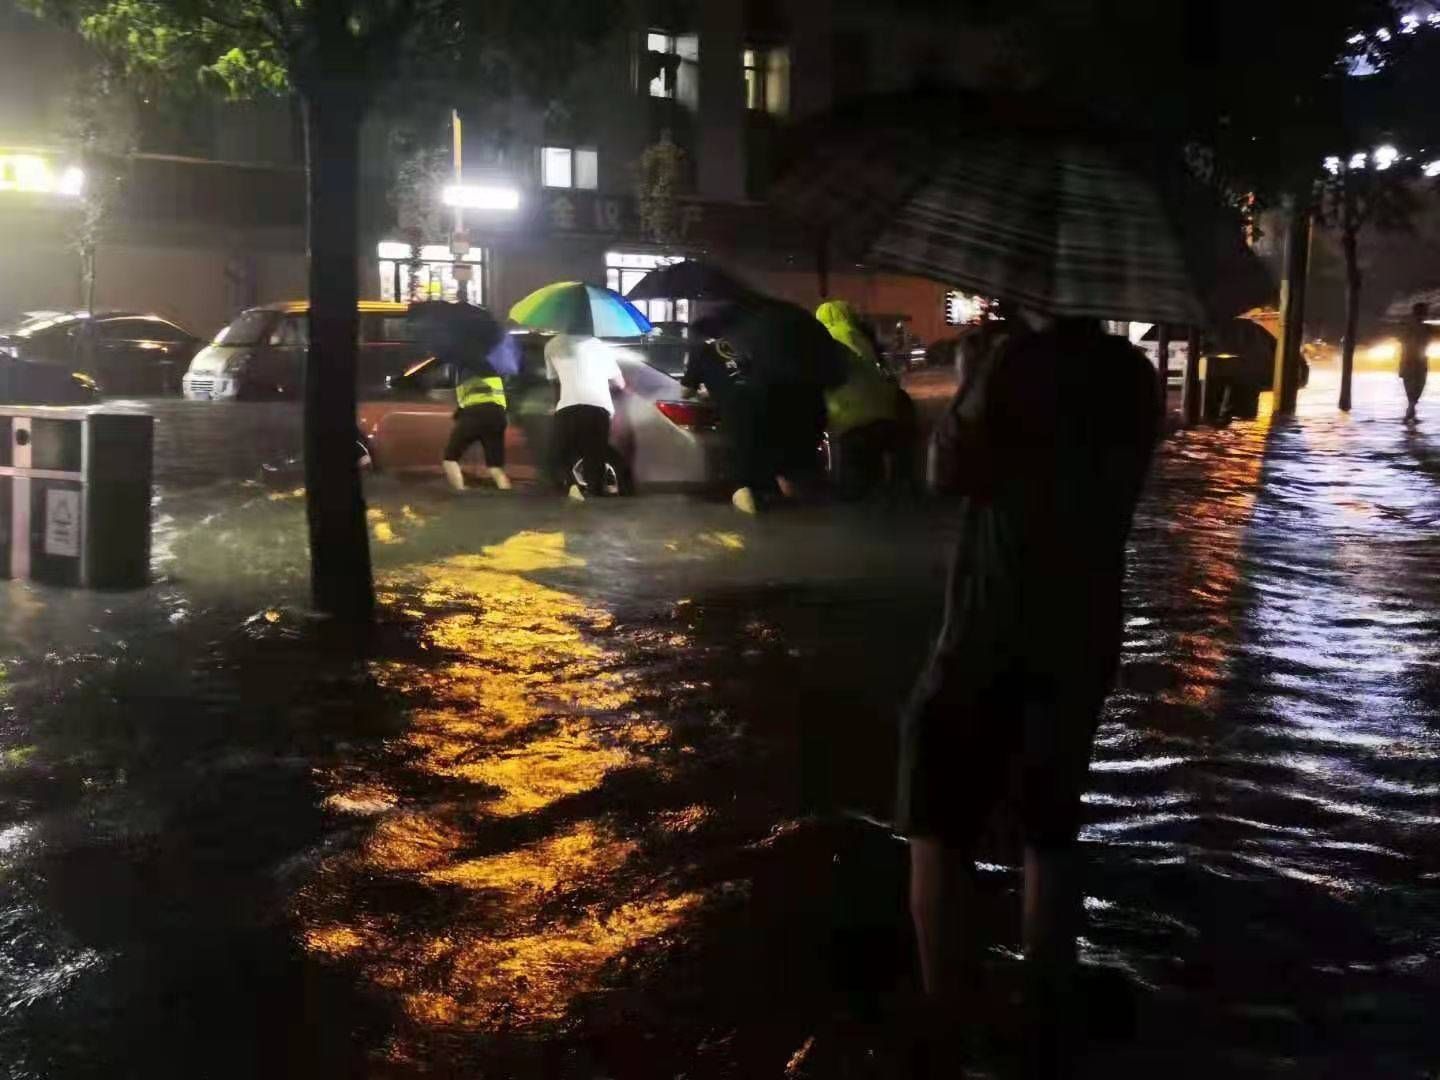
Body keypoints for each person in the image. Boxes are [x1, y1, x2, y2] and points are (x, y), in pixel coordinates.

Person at [900, 314, 1157, 1076]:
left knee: (937, 819)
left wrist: (973, 378)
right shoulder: (1134, 375)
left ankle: (952, 1025)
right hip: (1085, 627)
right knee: (1051, 825)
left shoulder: (1013, 362)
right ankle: (1045, 1014)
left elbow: (945, 472)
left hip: (991, 624)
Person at [815, 299, 905, 497]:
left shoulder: (830, 340)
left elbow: (827, 377)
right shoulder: (862, 337)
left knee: (854, 489)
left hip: (850, 421)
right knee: (876, 481)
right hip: (882, 416)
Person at [545, 332, 625, 501]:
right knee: (595, 457)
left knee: (558, 454)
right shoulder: (601, 346)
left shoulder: (552, 345)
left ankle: (572, 486)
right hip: (598, 408)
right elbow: (621, 383)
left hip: (568, 408)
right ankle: (594, 497)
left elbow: (554, 380)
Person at [1400, 301, 1432, 423]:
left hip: (1417, 361)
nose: (1426, 314)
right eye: (1425, 312)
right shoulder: (1412, 326)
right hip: (1412, 361)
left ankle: (1411, 413)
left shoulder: (1423, 327)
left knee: (1416, 389)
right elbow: (1407, 343)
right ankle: (1410, 413)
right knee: (1414, 388)